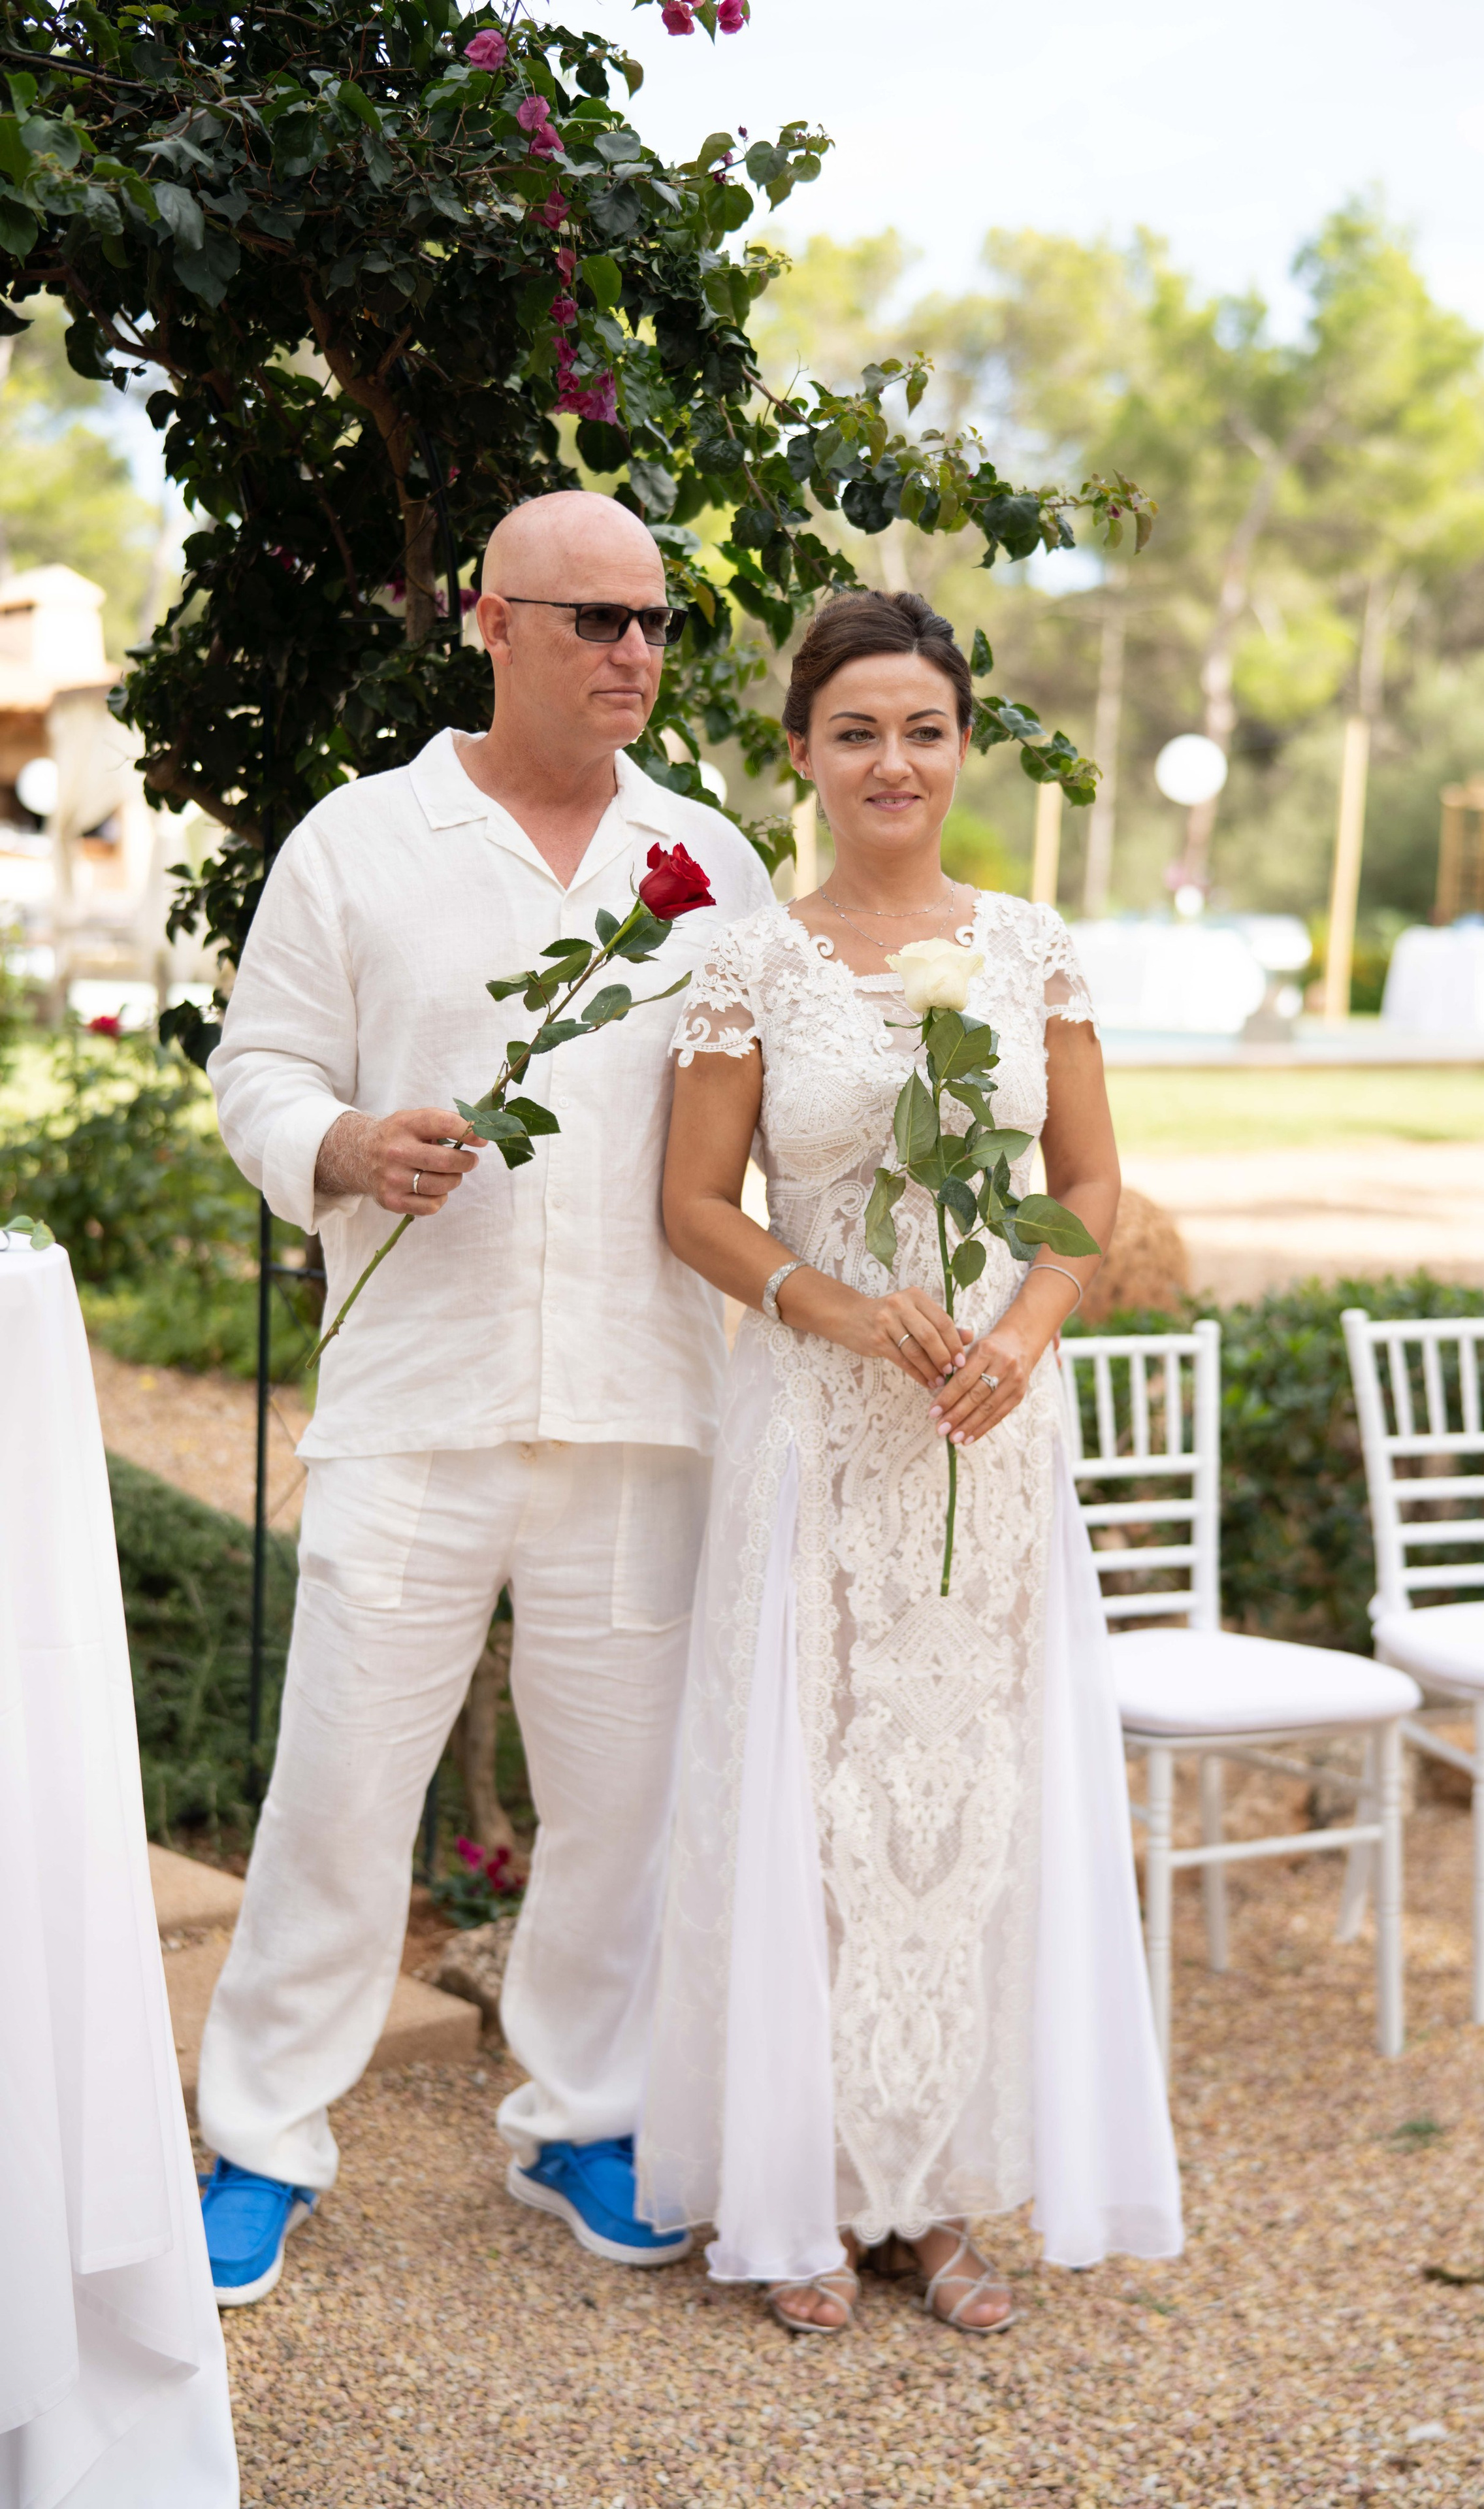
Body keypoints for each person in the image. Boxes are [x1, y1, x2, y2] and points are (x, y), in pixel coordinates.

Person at [195, 491, 773, 2304]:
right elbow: (259, 1066)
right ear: (490, 622)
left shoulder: (716, 862)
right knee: (341, 1792)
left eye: (656, 624)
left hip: (648, 1400)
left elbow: (771, 1116)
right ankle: (262, 2139)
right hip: (418, 1399)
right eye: (593, 619)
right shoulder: (359, 845)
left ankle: (585, 2119)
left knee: (621, 1809)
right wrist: (346, 1144)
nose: (632, 654)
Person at [637, 589, 1182, 2334]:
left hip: (993, 1445)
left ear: (965, 748)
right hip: (819, 1429)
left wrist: (1022, 1338)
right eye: (857, 729)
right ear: (800, 751)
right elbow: (690, 1205)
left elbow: (1091, 1185)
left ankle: (938, 2198)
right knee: (814, 1794)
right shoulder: (747, 956)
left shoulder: (1030, 950)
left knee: (971, 1806)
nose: (894, 760)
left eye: (925, 729)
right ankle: (800, 2196)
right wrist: (838, 1310)